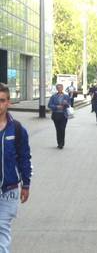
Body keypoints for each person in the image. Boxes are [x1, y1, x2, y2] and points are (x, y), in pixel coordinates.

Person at [0, 83, 32, 253]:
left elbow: (25, 158)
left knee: (2, 229)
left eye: (1, 100)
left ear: (8, 103)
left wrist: (26, 184)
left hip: (8, 190)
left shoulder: (18, 129)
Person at [48, 84, 71, 149]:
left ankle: (62, 143)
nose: (59, 89)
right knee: (58, 129)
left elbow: (69, 105)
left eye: (60, 87)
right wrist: (56, 107)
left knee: (62, 129)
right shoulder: (53, 96)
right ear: (56, 89)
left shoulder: (66, 96)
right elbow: (49, 105)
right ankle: (59, 143)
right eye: (58, 88)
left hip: (64, 115)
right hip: (56, 115)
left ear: (62, 88)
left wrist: (66, 103)